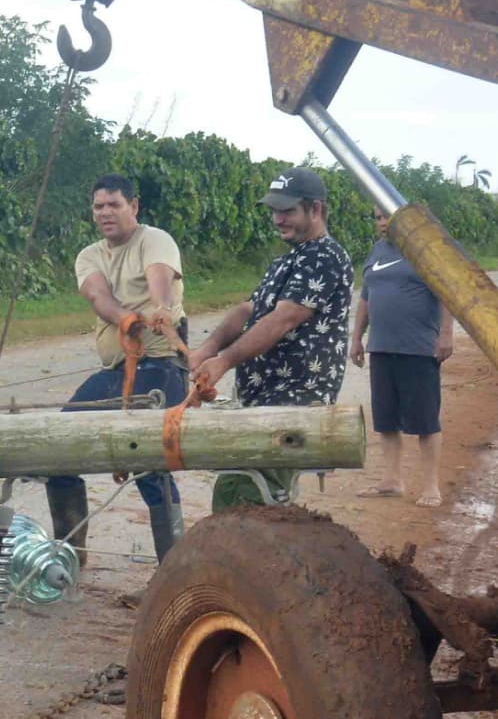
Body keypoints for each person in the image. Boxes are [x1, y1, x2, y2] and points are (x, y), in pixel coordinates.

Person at [186, 167, 352, 510]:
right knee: (242, 490)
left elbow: (282, 319)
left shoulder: (325, 257)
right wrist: (206, 350)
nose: (278, 219)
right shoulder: (286, 260)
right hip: (264, 399)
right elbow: (249, 310)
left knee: (246, 494)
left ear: (315, 209)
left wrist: (224, 361)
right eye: (274, 210)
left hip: (292, 400)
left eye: (287, 211)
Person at [44, 174, 188, 562]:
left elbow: (159, 277)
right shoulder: (89, 255)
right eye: (98, 206)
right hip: (115, 370)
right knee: (55, 447)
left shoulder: (155, 240)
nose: (105, 212)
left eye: (114, 204)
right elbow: (98, 296)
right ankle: (70, 557)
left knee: (147, 460)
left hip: (162, 366)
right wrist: (127, 320)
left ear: (133, 206)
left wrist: (160, 308)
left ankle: (172, 569)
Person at [349, 209, 456, 506]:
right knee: (385, 419)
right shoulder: (377, 251)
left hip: (418, 348)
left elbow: (446, 293)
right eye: (377, 217)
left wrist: (446, 333)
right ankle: (392, 480)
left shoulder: (425, 250)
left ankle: (431, 487)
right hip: (381, 347)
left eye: (387, 216)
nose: (382, 222)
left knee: (425, 420)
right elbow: (366, 298)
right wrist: (357, 338)